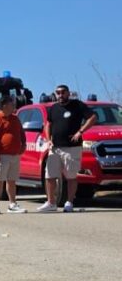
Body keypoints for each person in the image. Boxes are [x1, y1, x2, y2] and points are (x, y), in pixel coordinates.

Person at [36, 84, 97, 213]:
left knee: (71, 176)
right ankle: (51, 202)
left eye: (63, 92)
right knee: (50, 175)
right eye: (58, 92)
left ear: (68, 93)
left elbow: (92, 117)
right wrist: (49, 139)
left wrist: (80, 132)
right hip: (55, 148)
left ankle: (69, 202)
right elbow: (48, 124)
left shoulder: (77, 105)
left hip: (72, 148)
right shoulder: (53, 108)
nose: (60, 95)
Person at [0, 94, 26, 214]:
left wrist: (23, 145)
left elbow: (21, 133)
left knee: (12, 180)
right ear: (4, 106)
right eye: (11, 104)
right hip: (1, 155)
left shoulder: (15, 118)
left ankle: (12, 204)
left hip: (15, 155)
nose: (14, 105)